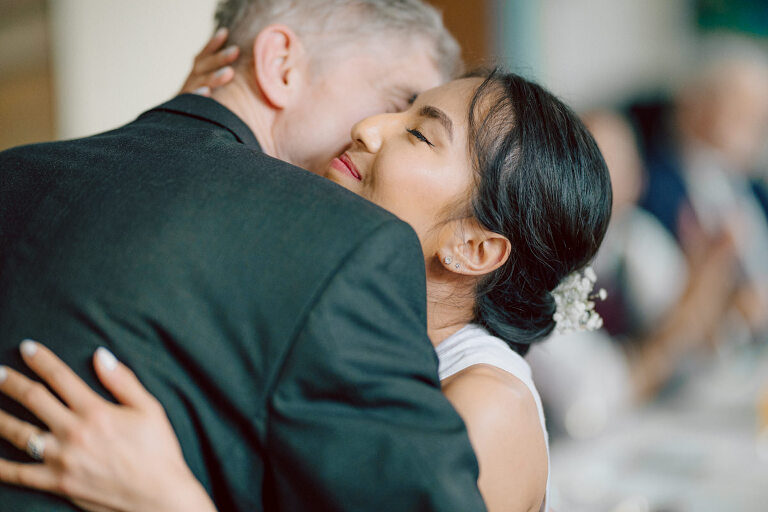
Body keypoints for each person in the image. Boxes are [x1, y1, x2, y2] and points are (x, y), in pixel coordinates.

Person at [0, 63, 612, 511]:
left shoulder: (488, 408)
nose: (369, 127)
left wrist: (164, 497)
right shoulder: (335, 311)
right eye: (399, 108)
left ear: (474, 248)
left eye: (419, 134)